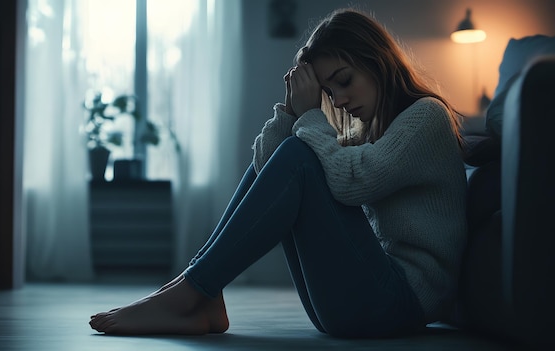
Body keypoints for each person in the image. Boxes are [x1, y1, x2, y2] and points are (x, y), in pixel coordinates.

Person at [89, 7, 467, 338]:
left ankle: (193, 291)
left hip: (398, 304)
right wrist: (290, 112)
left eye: (344, 81)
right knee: (296, 156)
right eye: (328, 93)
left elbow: (354, 182)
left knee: (302, 157)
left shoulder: (426, 117)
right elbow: (267, 169)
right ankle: (199, 292)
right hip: (362, 303)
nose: (340, 101)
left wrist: (309, 118)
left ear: (377, 59)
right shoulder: (366, 133)